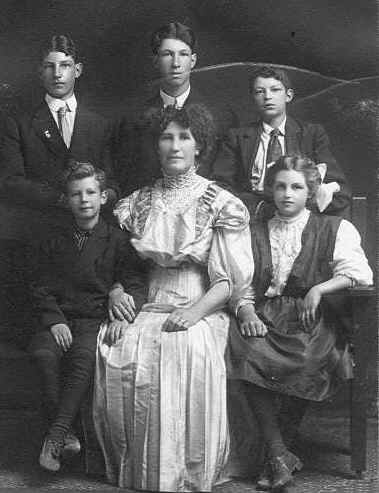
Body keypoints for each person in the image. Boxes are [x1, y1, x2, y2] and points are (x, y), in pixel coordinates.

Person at [94, 104, 252, 492]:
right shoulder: (136, 203)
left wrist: (194, 312)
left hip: (201, 302)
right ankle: (139, 467)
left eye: (185, 137)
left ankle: (182, 471)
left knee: (183, 344)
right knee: (117, 343)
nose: (175, 146)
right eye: (167, 137)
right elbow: (122, 265)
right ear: (156, 145)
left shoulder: (219, 202)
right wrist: (117, 291)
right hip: (147, 300)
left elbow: (226, 282)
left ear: (200, 147)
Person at [227, 155, 372, 490]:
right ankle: (279, 453)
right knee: (246, 350)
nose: (287, 194)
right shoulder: (255, 231)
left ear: (310, 191)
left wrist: (320, 289)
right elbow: (242, 283)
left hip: (312, 317)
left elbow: (359, 273)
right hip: (266, 313)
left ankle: (277, 453)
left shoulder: (333, 227)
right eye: (280, 186)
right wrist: (246, 311)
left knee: (308, 356)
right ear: (270, 190)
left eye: (296, 187)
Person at [29, 162, 147, 473]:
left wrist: (121, 294)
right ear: (67, 200)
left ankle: (54, 437)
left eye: (91, 192)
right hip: (57, 318)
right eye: (76, 194)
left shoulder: (116, 239)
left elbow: (134, 280)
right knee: (43, 354)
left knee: (83, 359)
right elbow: (38, 285)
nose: (84, 200)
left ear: (103, 197)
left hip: (91, 320)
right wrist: (54, 320)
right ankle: (65, 432)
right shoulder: (52, 239)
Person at [212, 66, 351, 218]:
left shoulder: (311, 134)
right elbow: (221, 185)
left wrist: (304, 205)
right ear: (253, 97)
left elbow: (339, 189)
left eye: (275, 90)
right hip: (254, 214)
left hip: (299, 212)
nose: (267, 97)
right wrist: (259, 208)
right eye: (260, 91)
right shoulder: (237, 137)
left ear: (288, 95)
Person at [115, 21, 238, 195]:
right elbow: (127, 178)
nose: (176, 63)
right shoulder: (133, 119)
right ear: (156, 60)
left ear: (193, 60)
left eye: (183, 54)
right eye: (167, 54)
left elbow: (226, 181)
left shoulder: (220, 115)